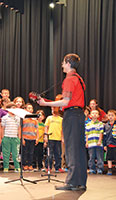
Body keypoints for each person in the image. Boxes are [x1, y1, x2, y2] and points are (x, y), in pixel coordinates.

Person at [38, 53, 87, 191]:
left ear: (68, 63)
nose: (61, 65)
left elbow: (66, 101)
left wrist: (45, 104)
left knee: (71, 149)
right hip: (78, 115)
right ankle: (80, 182)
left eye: (63, 62)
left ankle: (71, 182)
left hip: (72, 115)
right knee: (78, 149)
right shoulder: (78, 78)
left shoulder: (70, 79)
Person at [1, 103, 21, 172]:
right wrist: (2, 137)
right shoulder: (5, 118)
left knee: (15, 154)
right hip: (7, 137)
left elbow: (19, 128)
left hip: (15, 138)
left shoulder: (18, 118)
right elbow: (2, 128)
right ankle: (6, 167)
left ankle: (17, 167)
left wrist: (19, 137)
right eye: (12, 108)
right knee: (6, 153)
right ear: (8, 109)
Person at [44, 107, 64, 173]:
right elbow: (46, 127)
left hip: (58, 139)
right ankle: (48, 167)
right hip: (50, 138)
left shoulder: (61, 119)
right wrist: (46, 136)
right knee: (50, 154)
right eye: (52, 110)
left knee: (58, 154)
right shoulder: (49, 118)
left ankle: (58, 167)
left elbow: (62, 130)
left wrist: (62, 138)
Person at [85, 109, 104, 174]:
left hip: (98, 143)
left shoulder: (100, 123)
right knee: (91, 157)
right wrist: (87, 142)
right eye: (93, 113)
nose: (94, 114)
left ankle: (100, 169)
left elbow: (101, 133)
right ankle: (92, 168)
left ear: (98, 115)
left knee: (99, 157)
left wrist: (99, 141)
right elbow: (87, 134)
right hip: (91, 143)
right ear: (90, 115)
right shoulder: (88, 124)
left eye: (96, 113)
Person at [103, 110, 116, 175]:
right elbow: (104, 136)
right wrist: (104, 145)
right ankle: (110, 169)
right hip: (109, 144)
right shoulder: (106, 126)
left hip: (115, 144)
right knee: (109, 158)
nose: (110, 117)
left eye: (112, 115)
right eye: (109, 115)